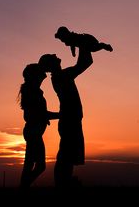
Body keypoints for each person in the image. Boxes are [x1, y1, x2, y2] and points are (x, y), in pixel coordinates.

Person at [38, 48, 93, 187]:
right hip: (70, 120)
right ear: (51, 64)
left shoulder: (60, 76)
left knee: (67, 156)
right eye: (52, 55)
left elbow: (86, 62)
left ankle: (63, 184)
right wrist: (82, 43)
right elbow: (85, 63)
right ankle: (62, 186)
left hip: (70, 120)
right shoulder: (62, 76)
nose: (55, 54)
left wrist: (82, 44)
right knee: (65, 157)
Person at [18, 63, 59, 188]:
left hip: (34, 132)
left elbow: (39, 113)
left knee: (30, 164)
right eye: (40, 72)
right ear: (35, 76)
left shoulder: (34, 91)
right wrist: (61, 115)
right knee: (39, 166)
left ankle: (23, 188)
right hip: (33, 132)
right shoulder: (32, 92)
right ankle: (23, 187)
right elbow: (39, 113)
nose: (43, 74)